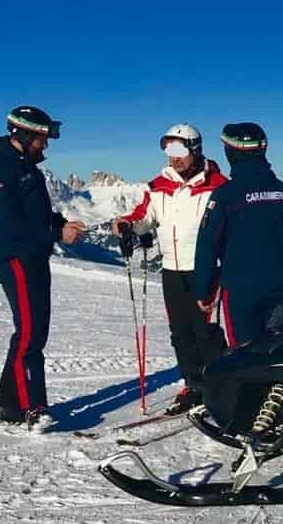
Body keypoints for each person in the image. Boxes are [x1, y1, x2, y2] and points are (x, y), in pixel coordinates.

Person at [0, 106, 86, 428]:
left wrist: (60, 223)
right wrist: (55, 233)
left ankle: (10, 405)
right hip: (15, 256)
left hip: (33, 255)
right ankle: (32, 407)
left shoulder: (23, 166)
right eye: (41, 139)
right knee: (29, 332)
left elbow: (30, 213)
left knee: (34, 331)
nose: (46, 145)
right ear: (21, 135)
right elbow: (7, 222)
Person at [113, 124, 228, 413]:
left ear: (195, 149)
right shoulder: (158, 186)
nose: (173, 157)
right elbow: (144, 217)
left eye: (179, 150)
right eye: (168, 150)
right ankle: (193, 384)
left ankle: (220, 386)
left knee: (207, 331)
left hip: (205, 268)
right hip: (172, 270)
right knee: (180, 332)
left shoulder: (218, 186)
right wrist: (128, 224)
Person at [194, 122, 283, 349]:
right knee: (278, 350)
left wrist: (203, 291)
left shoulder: (224, 196)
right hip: (279, 288)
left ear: (231, 152)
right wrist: (282, 274)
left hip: (239, 292)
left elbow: (207, 246)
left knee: (244, 357)